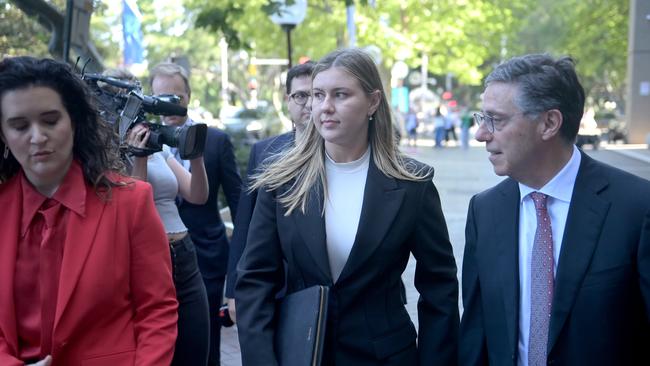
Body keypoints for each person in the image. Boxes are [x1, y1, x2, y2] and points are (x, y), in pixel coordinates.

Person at [236, 48, 459, 365]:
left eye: (340, 95)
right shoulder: (282, 181)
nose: (325, 107)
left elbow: (440, 287)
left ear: (373, 101)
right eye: (317, 95)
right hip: (300, 354)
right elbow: (255, 281)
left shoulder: (412, 184)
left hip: (384, 355)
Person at [459, 54, 650, 366]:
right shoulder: (485, 210)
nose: (481, 134)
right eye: (483, 119)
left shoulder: (636, 207)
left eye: (497, 119)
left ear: (549, 123)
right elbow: (476, 333)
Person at [0, 56, 178, 365]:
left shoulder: (132, 204)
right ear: (2, 134)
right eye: (19, 126)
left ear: (74, 120)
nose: (37, 137)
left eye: (50, 120)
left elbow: (157, 312)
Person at [112, 69, 210, 365]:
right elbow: (134, 205)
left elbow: (197, 195)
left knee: (196, 350)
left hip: (184, 255)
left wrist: (196, 153)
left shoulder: (158, 147)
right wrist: (138, 157)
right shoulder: (108, 152)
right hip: (147, 259)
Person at [149, 62, 242, 366]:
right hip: (157, 260)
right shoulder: (143, 143)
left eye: (175, 97)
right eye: (161, 96)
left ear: (188, 96)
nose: (168, 104)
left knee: (207, 347)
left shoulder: (215, 141)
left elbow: (238, 203)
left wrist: (238, 272)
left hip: (207, 258)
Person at [224, 61, 315, 322]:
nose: (308, 103)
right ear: (288, 101)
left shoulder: (339, 149)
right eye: (300, 95)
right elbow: (245, 223)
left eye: (315, 94)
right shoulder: (264, 152)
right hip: (273, 283)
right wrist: (233, 290)